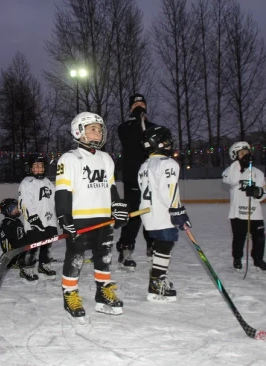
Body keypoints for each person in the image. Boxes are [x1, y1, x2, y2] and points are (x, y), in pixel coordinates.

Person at [55, 111, 129, 322]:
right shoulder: (70, 158)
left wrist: (117, 208)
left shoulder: (106, 159)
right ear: (79, 132)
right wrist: (63, 216)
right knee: (75, 257)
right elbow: (63, 190)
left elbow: (111, 188)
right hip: (80, 219)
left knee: (104, 256)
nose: (98, 133)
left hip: (103, 218)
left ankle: (102, 292)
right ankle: (69, 294)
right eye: (93, 129)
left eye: (99, 129)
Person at [138, 126, 191, 302]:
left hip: (148, 214)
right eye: (166, 140)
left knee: (161, 245)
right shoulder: (168, 163)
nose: (169, 144)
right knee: (165, 245)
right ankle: (156, 284)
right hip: (163, 212)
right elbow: (169, 190)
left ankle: (157, 280)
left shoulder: (144, 165)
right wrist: (178, 211)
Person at [116, 93, 157, 270]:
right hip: (133, 178)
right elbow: (130, 140)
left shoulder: (153, 128)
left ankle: (152, 245)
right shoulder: (125, 127)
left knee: (152, 214)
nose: (139, 106)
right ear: (131, 108)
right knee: (133, 216)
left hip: (151, 179)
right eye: (135, 104)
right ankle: (125, 249)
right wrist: (136, 120)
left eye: (141, 103)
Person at [222, 141, 266, 272]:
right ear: (235, 156)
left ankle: (258, 259)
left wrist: (257, 192)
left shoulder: (258, 173)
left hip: (255, 212)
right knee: (239, 237)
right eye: (241, 153)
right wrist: (240, 165)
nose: (245, 155)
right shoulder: (230, 170)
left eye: (247, 153)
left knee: (259, 237)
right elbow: (230, 180)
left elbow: (264, 193)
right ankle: (237, 258)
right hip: (238, 212)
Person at [19, 155, 57, 280]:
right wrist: (33, 218)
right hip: (34, 222)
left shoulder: (48, 182)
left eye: (41, 166)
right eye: (35, 166)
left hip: (49, 220)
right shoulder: (27, 182)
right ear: (30, 168)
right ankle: (26, 268)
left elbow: (54, 200)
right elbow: (24, 202)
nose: (38, 168)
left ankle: (44, 265)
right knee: (33, 246)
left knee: (47, 245)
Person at [0, 198, 39, 283]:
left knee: (35, 241)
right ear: (7, 210)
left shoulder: (17, 221)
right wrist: (10, 256)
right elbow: (5, 242)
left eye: (17, 207)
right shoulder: (5, 224)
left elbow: (22, 236)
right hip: (15, 253)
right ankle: (24, 269)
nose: (17, 209)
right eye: (14, 208)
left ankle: (28, 260)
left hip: (22, 250)